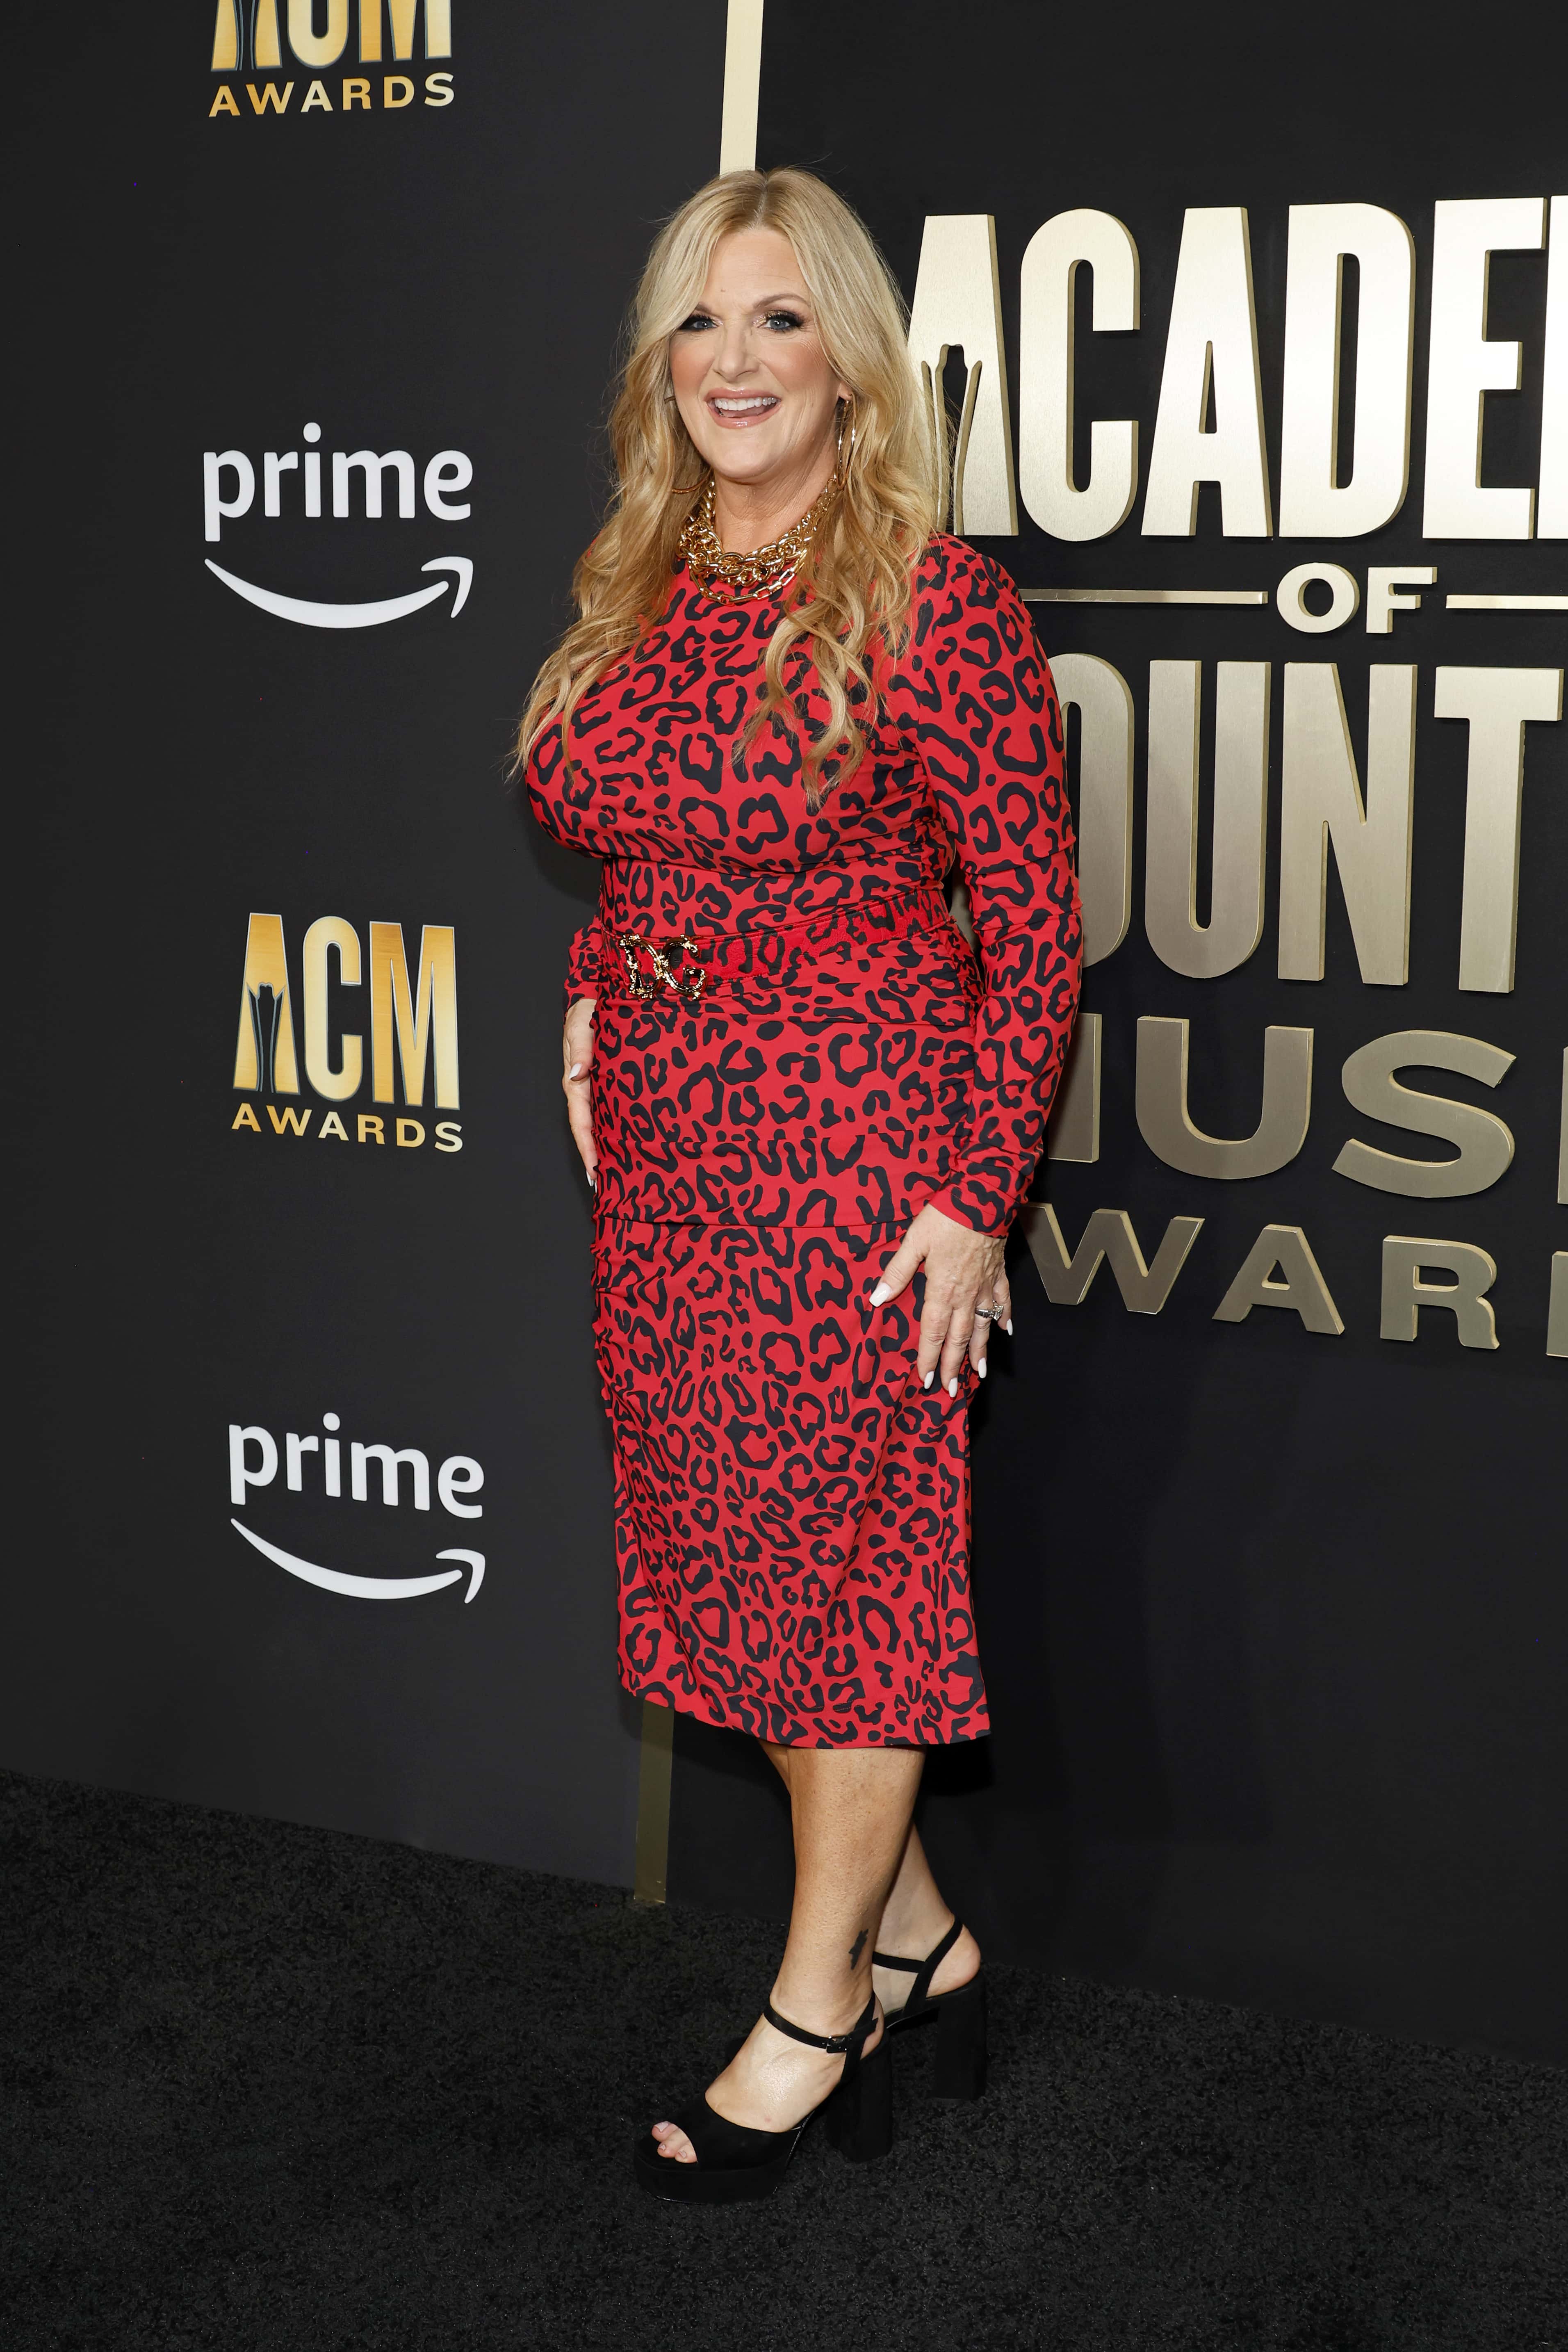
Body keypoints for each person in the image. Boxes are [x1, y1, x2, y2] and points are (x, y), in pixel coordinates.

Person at [520, 166, 1080, 2203]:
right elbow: (634, 841)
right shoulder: (644, 584)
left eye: (775, 321)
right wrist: (594, 992)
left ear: (847, 357)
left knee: (841, 1595)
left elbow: (1028, 931)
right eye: (697, 322)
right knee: (741, 1591)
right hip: (669, 1160)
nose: (733, 362)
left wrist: (968, 1195)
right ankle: (921, 1938)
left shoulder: (936, 597)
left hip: (855, 1162)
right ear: (660, 364)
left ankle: (815, 2009)